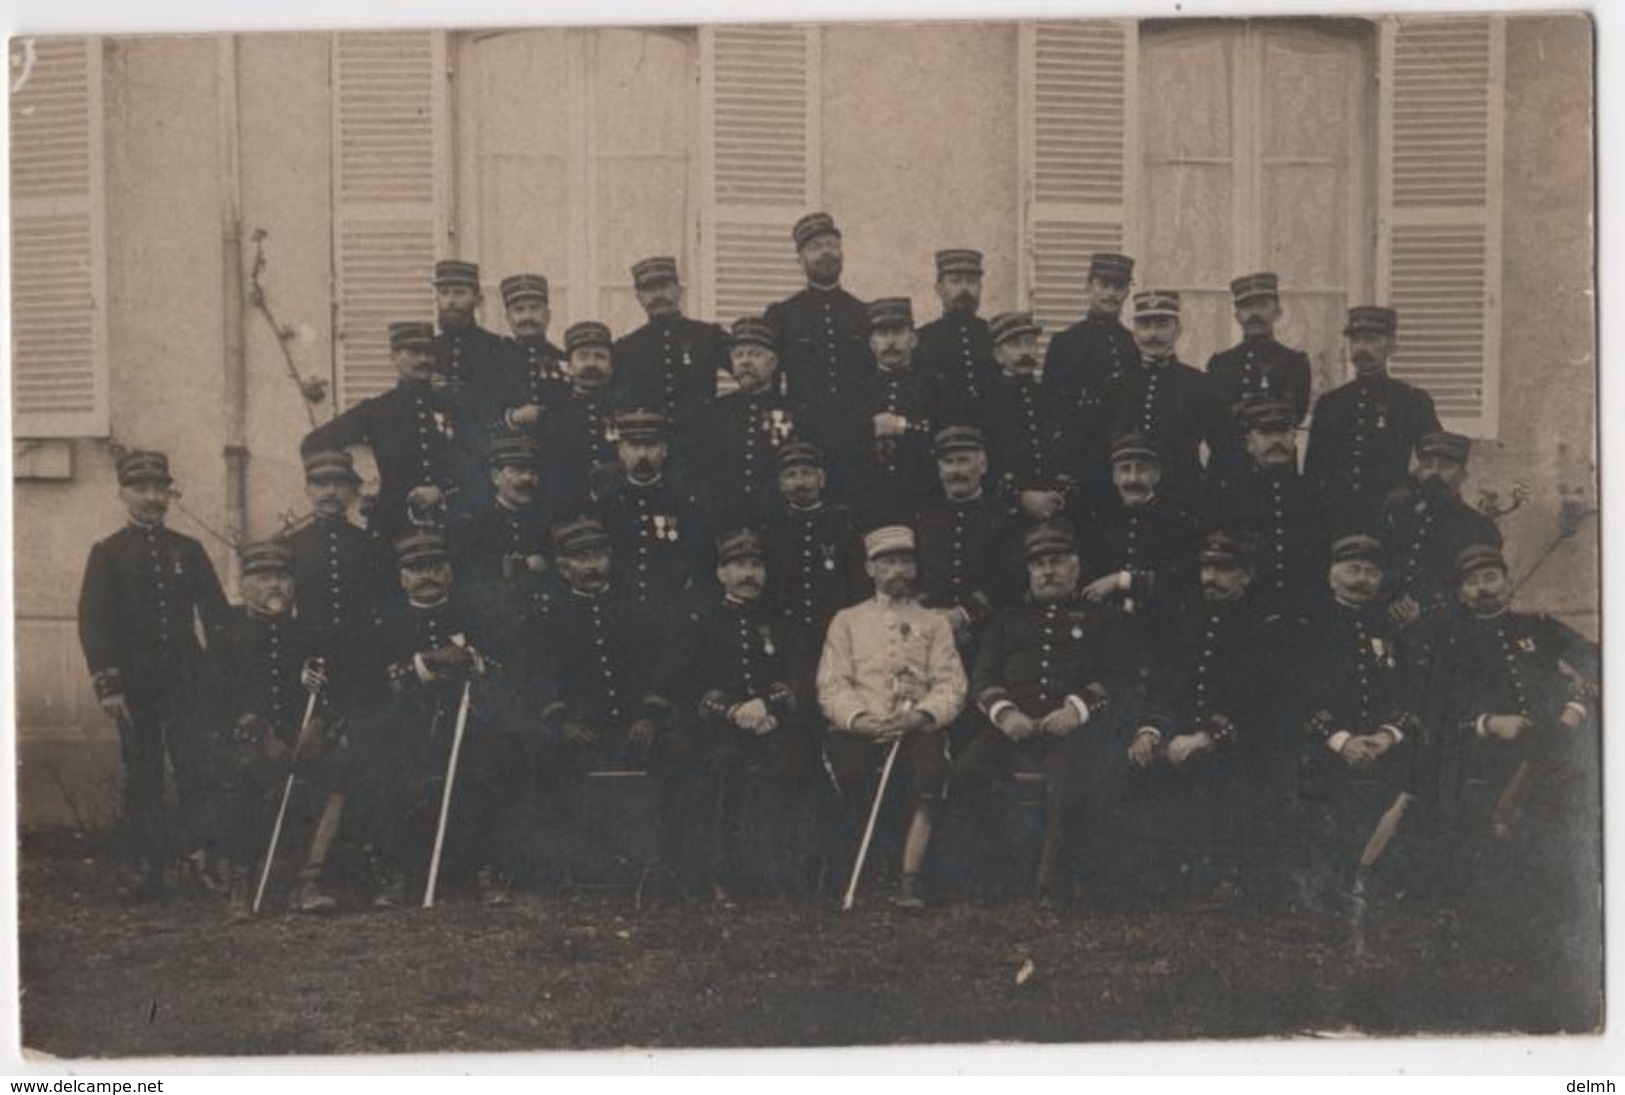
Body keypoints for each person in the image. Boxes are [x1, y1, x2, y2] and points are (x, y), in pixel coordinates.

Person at [77, 450, 232, 900]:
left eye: (158, 489)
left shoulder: (188, 549)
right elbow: (94, 621)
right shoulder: (107, 553)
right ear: (122, 493)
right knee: (142, 772)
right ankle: (146, 869)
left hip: (188, 680)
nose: (150, 498)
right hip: (135, 685)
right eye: (140, 489)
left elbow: (217, 616)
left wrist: (217, 673)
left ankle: (203, 861)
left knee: (197, 768)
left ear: (170, 494)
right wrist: (108, 684)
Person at [955, 522, 1124, 905]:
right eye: (1039, 564)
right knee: (967, 771)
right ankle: (996, 875)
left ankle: (1052, 883)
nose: (1048, 571)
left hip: (1071, 729)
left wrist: (1077, 710)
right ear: (1028, 571)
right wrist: (1005, 714)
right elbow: (982, 676)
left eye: (1058, 562)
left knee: (1067, 780)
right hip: (1013, 725)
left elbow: (1118, 676)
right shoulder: (1007, 618)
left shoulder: (1101, 618)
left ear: (1076, 567)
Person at [356, 531, 522, 907]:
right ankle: (394, 872)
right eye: (416, 570)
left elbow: (503, 669)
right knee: (381, 764)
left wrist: (474, 662)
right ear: (402, 578)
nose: (427, 576)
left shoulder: (478, 617)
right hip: (406, 725)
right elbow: (373, 683)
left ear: (449, 574)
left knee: (498, 758)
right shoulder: (383, 625)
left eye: (435, 567)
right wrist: (426, 663)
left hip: (468, 721)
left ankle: (488, 869)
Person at [531, 516, 695, 886]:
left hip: (636, 728)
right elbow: (539, 673)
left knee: (679, 751)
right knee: (548, 759)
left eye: (599, 556)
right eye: (580, 558)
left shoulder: (639, 609)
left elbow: (663, 665)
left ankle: (671, 860)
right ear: (562, 567)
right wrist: (563, 721)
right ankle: (570, 865)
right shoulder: (549, 617)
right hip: (583, 730)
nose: (592, 566)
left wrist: (651, 716)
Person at [1119, 530, 1277, 897]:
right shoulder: (1188, 620)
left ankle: (1222, 874)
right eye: (1206, 568)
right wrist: (1151, 730)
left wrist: (1207, 736)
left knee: (1215, 772)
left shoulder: (1263, 626)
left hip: (1242, 740)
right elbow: (1168, 684)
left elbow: (1256, 699)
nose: (1210, 577)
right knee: (1134, 763)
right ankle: (1153, 873)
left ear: (1247, 576)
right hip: (1184, 732)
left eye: (1223, 569)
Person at [817, 525, 967, 909]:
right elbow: (832, 683)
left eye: (905, 561)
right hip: (862, 727)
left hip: (916, 727)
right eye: (887, 562)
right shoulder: (847, 620)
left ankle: (909, 877)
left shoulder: (934, 623)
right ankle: (869, 870)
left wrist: (921, 716)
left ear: (915, 568)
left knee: (929, 774)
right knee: (851, 772)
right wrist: (860, 719)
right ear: (870, 569)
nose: (897, 569)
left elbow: (951, 684)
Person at [199, 541, 348, 920]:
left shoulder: (311, 632)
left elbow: (333, 690)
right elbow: (214, 700)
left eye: (282, 577)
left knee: (339, 769)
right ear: (246, 585)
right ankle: (241, 885)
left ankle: (309, 883)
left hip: (302, 740)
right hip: (249, 741)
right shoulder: (226, 634)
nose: (275, 586)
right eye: (263, 578)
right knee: (241, 774)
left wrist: (320, 726)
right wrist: (258, 735)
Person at [682, 529, 819, 905]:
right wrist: (733, 710)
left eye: (756, 566)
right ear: (721, 574)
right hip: (722, 726)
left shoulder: (784, 622)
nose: (749, 575)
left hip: (776, 722)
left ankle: (783, 871)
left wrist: (771, 708)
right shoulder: (703, 623)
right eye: (739, 565)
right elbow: (690, 682)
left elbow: (802, 677)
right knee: (725, 764)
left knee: (793, 757)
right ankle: (723, 873)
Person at [1285, 534, 1421, 910]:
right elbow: (1293, 693)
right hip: (1322, 747)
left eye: (1371, 572)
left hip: (1382, 748)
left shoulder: (1392, 627)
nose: (1362, 579)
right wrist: (1341, 740)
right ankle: (1322, 887)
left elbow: (1411, 690)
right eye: (1352, 570)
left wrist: (1388, 735)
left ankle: (1377, 882)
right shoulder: (1307, 626)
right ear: (1332, 577)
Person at [302, 321, 477, 541]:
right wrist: (363, 480)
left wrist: (441, 492)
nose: (423, 360)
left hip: (450, 523)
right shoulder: (376, 410)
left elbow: (474, 458)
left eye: (429, 353)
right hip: (393, 525)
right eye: (414, 352)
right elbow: (314, 444)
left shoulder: (455, 406)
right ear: (393, 357)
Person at [1305, 306, 1442, 533]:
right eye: (1356, 340)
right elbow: (1313, 471)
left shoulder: (1411, 401)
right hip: (1336, 521)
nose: (1362, 349)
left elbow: (1435, 460)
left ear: (1391, 346)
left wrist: (1409, 488)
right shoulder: (1331, 403)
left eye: (1372, 340)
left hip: (1389, 519)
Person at [764, 212, 872, 488]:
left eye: (831, 245)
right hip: (804, 435)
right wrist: (782, 441)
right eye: (815, 247)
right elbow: (771, 386)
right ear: (800, 259)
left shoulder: (863, 313)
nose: (826, 253)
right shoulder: (782, 315)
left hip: (858, 437)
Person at [1101, 290, 1230, 506]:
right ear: (1134, 332)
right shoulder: (1115, 386)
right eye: (1145, 325)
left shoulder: (1199, 384)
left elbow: (1224, 448)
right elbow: (1099, 448)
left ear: (1178, 330)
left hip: (1183, 500)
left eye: (1162, 325)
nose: (1153, 334)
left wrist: (1209, 492)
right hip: (1124, 500)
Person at [1207, 397, 1328, 619]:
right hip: (1247, 613)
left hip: (1304, 611)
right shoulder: (1229, 495)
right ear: (1249, 443)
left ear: (1294, 438)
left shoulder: (1314, 493)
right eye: (1265, 433)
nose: (1276, 441)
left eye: (1283, 432)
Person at [282, 448, 391, 680]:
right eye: (321, 484)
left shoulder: (368, 544)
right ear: (308, 490)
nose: (330, 492)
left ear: (351, 490)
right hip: (310, 657)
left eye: (339, 484)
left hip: (362, 658)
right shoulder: (291, 546)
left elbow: (383, 603)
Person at [913, 425, 1022, 657]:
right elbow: (915, 572)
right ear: (939, 469)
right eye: (948, 462)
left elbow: (1009, 579)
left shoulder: (1003, 517)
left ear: (982, 466)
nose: (955, 471)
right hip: (927, 631)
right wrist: (931, 615)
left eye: (963, 461)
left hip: (988, 635)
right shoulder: (924, 516)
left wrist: (963, 614)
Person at [687, 316, 802, 530]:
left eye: (755, 354)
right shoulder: (713, 412)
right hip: (724, 522)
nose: (746, 361)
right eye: (739, 355)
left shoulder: (795, 410)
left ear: (773, 363)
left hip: (778, 521)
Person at [592, 408, 707, 613]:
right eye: (634, 446)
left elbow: (695, 553)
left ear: (664, 449)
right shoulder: (608, 500)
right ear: (621, 451)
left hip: (669, 606)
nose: (643, 454)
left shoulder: (682, 500)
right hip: (619, 605)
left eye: (651, 446)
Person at [980, 311, 1090, 525]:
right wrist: (1021, 497)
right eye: (1014, 344)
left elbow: (1072, 455)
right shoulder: (985, 405)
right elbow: (984, 467)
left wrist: (1057, 496)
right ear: (997, 354)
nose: (1025, 352)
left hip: (1056, 513)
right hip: (1005, 516)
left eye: (1030, 343)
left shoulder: (1055, 399)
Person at [1383, 431, 1502, 627]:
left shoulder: (1478, 527)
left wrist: (1426, 612)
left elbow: (1480, 591)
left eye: (1446, 466)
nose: (1434, 473)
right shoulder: (1399, 517)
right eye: (1427, 465)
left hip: (1448, 629)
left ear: (1463, 475)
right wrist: (1391, 604)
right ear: (1418, 472)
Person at [848, 297, 944, 527]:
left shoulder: (935, 386)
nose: (890, 342)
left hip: (922, 501)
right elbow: (842, 439)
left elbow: (942, 435)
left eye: (898, 332)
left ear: (913, 339)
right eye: (882, 333)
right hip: (867, 502)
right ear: (871, 343)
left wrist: (902, 426)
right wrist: (870, 428)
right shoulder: (854, 389)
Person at [610, 256, 731, 434]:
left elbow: (750, 372)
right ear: (639, 298)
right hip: (649, 447)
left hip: (701, 444)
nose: (658, 295)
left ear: (679, 290)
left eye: (664, 287)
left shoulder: (707, 336)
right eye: (649, 290)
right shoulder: (627, 348)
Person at [761, 441, 867, 637]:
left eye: (806, 473)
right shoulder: (772, 529)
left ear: (821, 479)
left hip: (838, 631)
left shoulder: (842, 523)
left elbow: (858, 581)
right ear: (781, 485)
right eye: (791, 475)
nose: (800, 482)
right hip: (789, 634)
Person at [1205, 272, 1313, 445]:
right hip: (1230, 467)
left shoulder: (1295, 363)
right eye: (1247, 307)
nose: (1255, 313)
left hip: (1277, 463)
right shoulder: (1220, 365)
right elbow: (1214, 424)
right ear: (1237, 316)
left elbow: (1293, 417)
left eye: (1262, 305)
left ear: (1277, 312)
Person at [537, 320, 623, 512]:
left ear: (611, 365)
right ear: (570, 365)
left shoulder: (626, 409)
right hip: (568, 512)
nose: (591, 363)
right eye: (582, 356)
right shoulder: (553, 411)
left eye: (600, 357)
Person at [1041, 251, 1138, 407]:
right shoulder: (1064, 342)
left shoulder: (1133, 344)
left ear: (1127, 292)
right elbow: (1050, 406)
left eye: (1119, 286)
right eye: (1104, 284)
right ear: (1088, 286)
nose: (1111, 293)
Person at [914, 248, 999, 426]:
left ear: (980, 287)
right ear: (939, 288)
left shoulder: (995, 335)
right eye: (955, 281)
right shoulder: (923, 338)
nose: (964, 289)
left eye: (972, 281)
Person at [495, 272, 569, 427]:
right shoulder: (492, 359)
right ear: (508, 317)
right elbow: (477, 411)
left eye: (535, 308)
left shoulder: (563, 360)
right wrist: (512, 417)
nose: (527, 316)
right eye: (519, 310)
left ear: (548, 315)